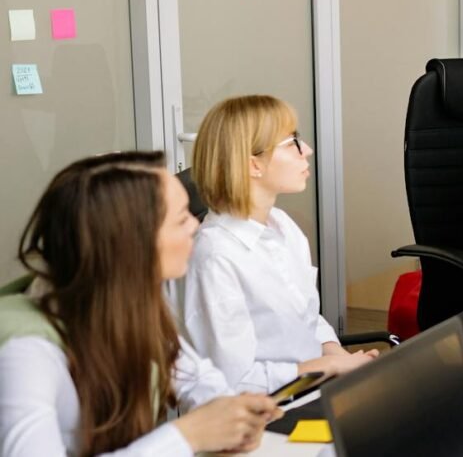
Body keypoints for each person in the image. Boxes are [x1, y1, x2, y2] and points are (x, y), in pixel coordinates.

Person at [0, 151, 281, 455]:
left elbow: (193, 375)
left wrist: (233, 416)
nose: (195, 227)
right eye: (180, 219)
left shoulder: (126, 302)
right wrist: (188, 436)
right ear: (131, 243)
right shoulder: (26, 350)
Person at [174, 95, 376, 394]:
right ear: (253, 164)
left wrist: (338, 356)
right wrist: (325, 367)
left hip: (312, 389)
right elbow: (233, 381)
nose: (306, 150)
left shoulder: (283, 226)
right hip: (263, 413)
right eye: (292, 142)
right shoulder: (216, 256)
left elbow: (306, 319)